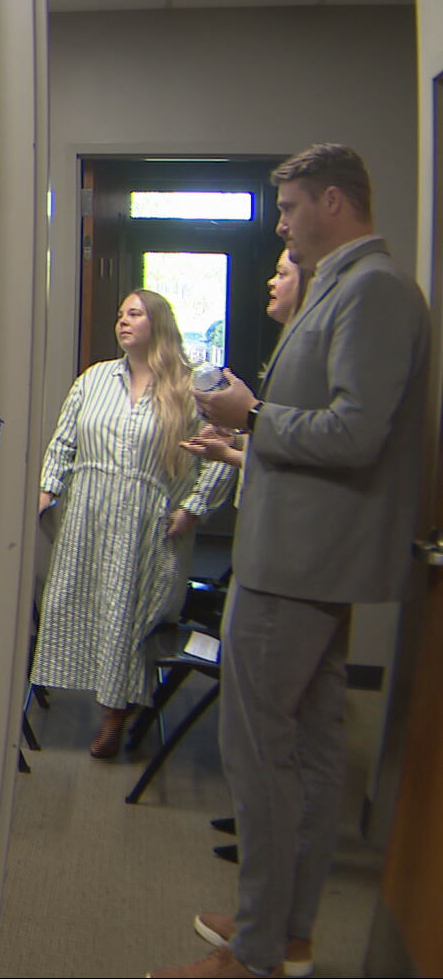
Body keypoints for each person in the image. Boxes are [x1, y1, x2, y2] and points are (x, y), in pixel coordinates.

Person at [157, 144, 431, 979]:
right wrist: (252, 430)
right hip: (303, 557)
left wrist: (254, 415)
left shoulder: (373, 290)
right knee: (307, 752)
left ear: (333, 202)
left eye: (288, 209)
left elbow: (355, 433)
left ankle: (256, 951)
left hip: (299, 564)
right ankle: (287, 934)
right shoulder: (346, 287)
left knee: (259, 754)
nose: (280, 226)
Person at [32, 289, 235, 758]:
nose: (123, 320)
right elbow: (64, 441)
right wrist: (47, 490)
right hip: (88, 512)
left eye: (135, 314)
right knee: (82, 604)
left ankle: (115, 712)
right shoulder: (94, 379)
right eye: (120, 314)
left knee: (128, 612)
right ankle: (102, 698)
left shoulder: (188, 388)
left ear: (158, 323)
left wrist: (192, 507)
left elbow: (224, 452)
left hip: (146, 522)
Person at [182, 249, 314, 472]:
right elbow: (280, 439)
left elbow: (305, 452)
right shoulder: (289, 347)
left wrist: (247, 417)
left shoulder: (310, 359)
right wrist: (235, 441)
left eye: (282, 274)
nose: (271, 282)